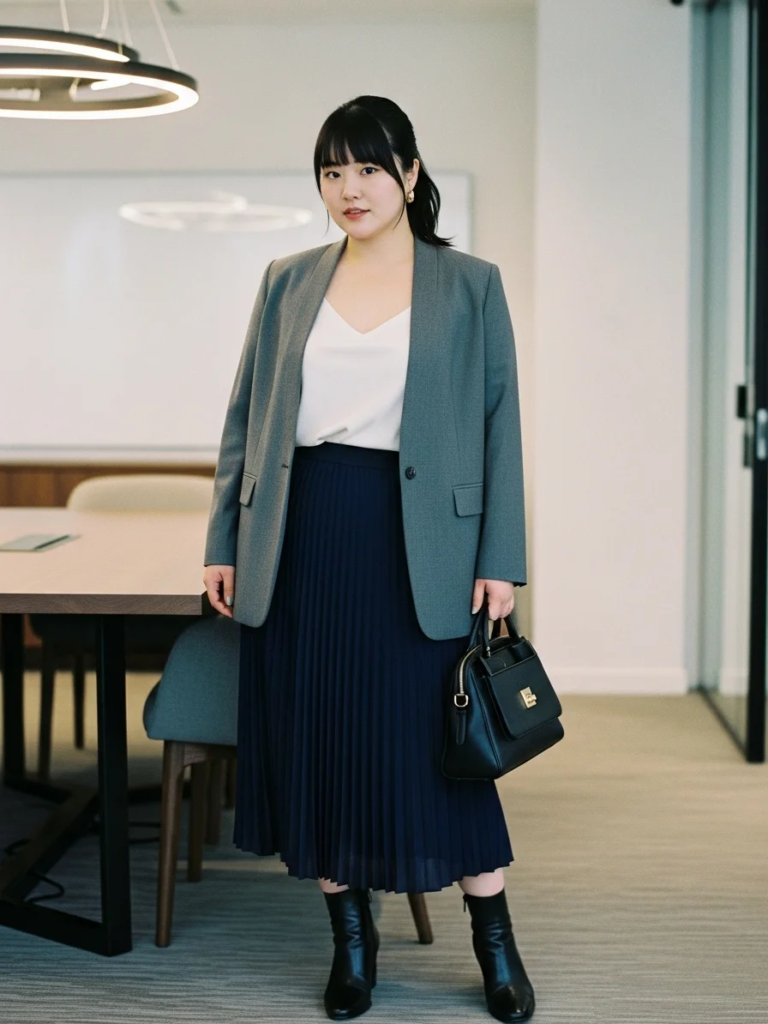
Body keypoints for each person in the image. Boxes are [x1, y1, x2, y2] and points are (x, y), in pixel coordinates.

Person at [203, 95, 534, 1023]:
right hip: (302, 536)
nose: (350, 189)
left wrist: (501, 557)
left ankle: (496, 947)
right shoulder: (287, 279)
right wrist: (222, 540)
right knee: (324, 746)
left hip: (422, 544)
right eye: (333, 171)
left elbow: (500, 427)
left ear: (410, 177)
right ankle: (353, 945)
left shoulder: (469, 284)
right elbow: (244, 420)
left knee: (444, 755)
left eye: (369, 169)